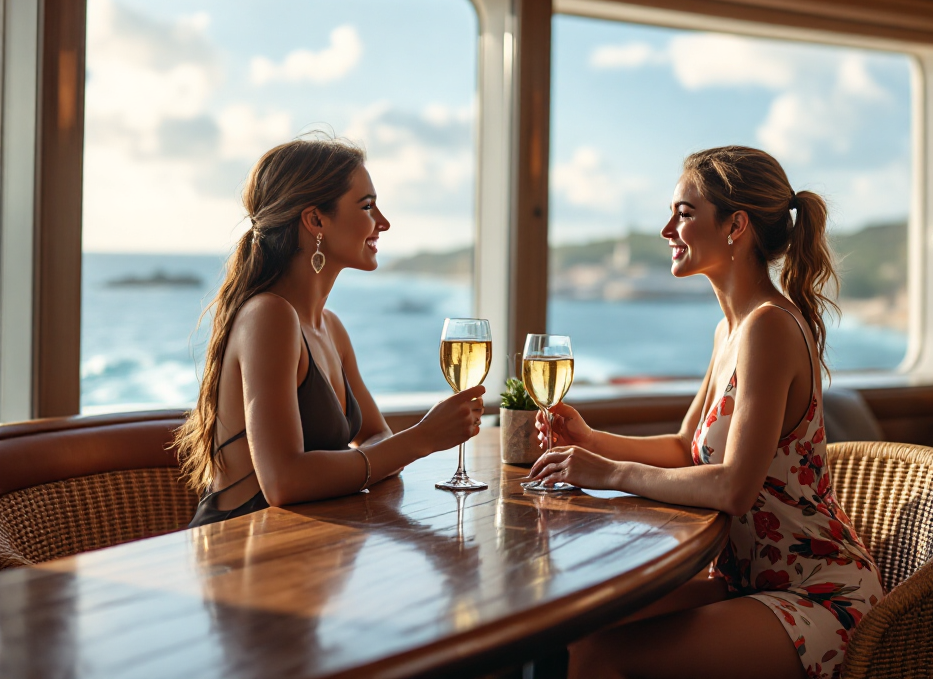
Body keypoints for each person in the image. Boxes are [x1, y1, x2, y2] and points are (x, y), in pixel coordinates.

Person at [528, 146, 884, 679]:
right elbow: (683, 448)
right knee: (579, 628)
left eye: (684, 213)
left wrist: (609, 473)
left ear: (735, 225)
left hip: (819, 595)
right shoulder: (730, 331)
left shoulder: (769, 327)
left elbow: (733, 488)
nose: (667, 228)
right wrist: (591, 439)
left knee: (606, 657)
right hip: (747, 581)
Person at [177, 138, 484, 528]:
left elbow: (376, 436)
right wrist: (422, 439)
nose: (383, 223)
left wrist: (393, 449)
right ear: (316, 220)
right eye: (367, 206)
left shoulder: (330, 327)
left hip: (308, 550)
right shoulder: (268, 316)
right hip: (239, 559)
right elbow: (283, 482)